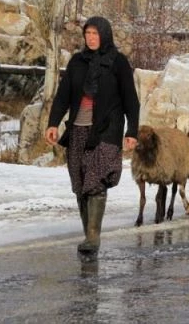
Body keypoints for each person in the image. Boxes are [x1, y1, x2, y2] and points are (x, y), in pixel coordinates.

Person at [45, 16, 140, 256]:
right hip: (77, 128)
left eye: (96, 34)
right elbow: (63, 96)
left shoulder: (118, 63)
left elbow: (131, 100)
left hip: (106, 129)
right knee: (79, 181)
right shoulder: (77, 62)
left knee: (96, 179)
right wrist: (53, 123)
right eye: (88, 34)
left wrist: (132, 132)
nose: (91, 38)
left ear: (105, 35)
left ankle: (93, 237)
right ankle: (88, 232)